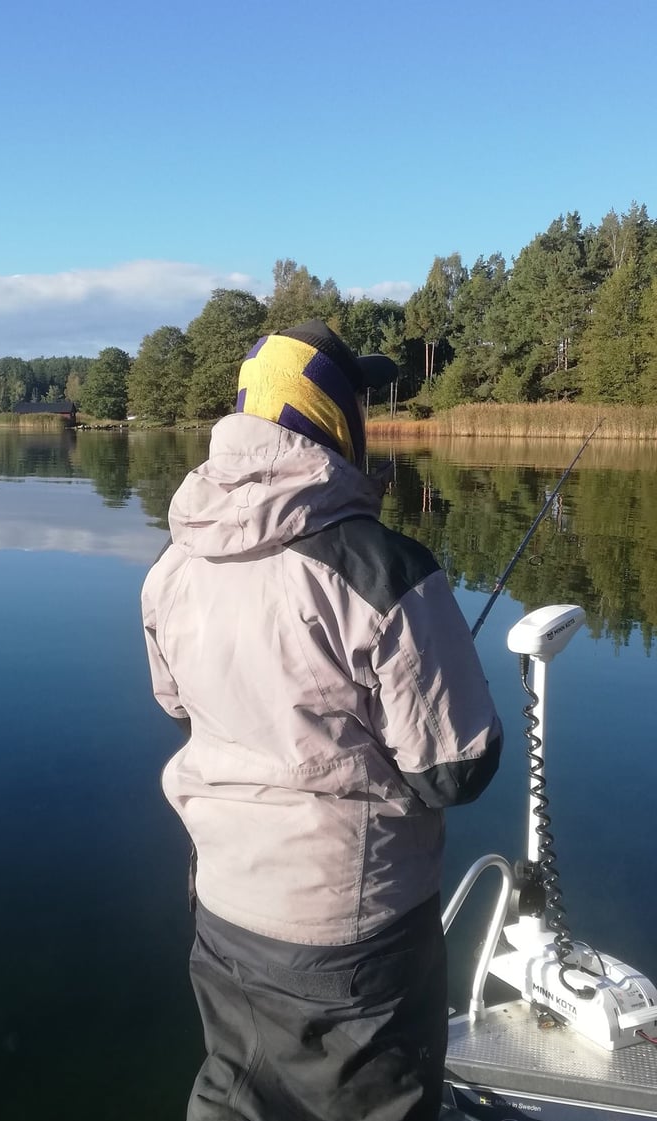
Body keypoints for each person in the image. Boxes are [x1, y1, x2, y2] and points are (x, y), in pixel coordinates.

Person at [141, 320, 503, 1121]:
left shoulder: (172, 568)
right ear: (335, 418)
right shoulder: (385, 571)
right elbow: (456, 769)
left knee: (236, 1095)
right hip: (355, 939)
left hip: (224, 911)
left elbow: (179, 705)